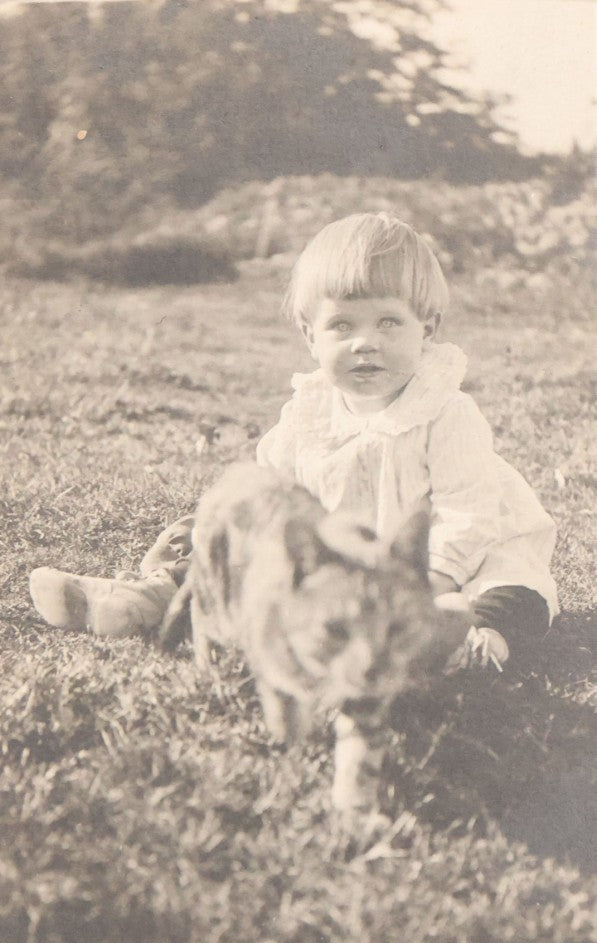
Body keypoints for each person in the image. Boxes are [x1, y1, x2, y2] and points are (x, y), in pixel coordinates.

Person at [29, 213, 558, 670]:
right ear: (310, 334)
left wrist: (432, 581)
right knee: (246, 553)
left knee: (510, 589)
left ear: (428, 327)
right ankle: (145, 598)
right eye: (342, 325)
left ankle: (468, 645)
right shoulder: (309, 414)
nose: (365, 343)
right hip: (347, 561)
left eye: (389, 322)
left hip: (456, 555)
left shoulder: (445, 413)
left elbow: (470, 513)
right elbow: (265, 492)